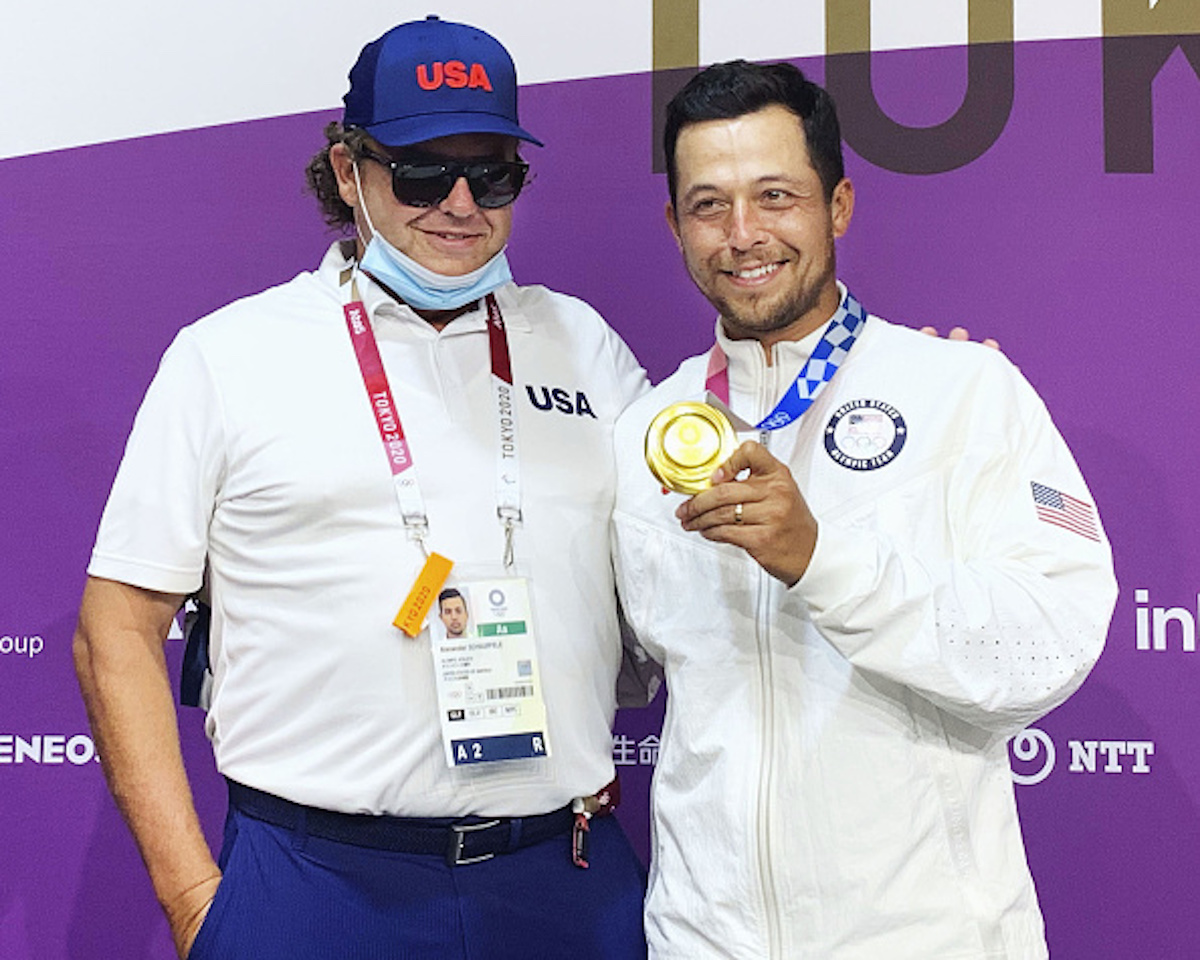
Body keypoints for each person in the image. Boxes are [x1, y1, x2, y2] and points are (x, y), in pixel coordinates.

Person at [73, 17, 650, 960]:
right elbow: (117, 631)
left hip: (562, 879)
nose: (461, 203)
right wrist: (192, 901)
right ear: (348, 172)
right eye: (423, 172)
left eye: (492, 172)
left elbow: (697, 527)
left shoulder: (582, 344)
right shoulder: (231, 356)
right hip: (315, 881)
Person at [611, 60, 1117, 959]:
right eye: (708, 205)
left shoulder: (965, 390)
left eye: (775, 196)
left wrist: (824, 561)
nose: (742, 235)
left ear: (837, 205)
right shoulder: (647, 430)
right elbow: (618, 668)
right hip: (703, 940)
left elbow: (1054, 638)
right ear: (673, 225)